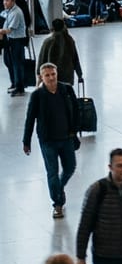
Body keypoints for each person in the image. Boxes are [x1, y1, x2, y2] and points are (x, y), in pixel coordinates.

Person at [23, 63, 80, 219]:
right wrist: (26, 141)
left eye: (53, 74)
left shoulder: (66, 90)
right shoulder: (37, 96)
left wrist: (75, 132)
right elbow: (30, 119)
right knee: (52, 173)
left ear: (57, 74)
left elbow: (75, 110)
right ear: (42, 77)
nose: (51, 77)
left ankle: (58, 189)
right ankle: (58, 204)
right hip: (48, 141)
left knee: (70, 167)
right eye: (47, 75)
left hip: (66, 137)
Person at [37, 18, 83, 87]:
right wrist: (79, 75)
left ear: (52, 28)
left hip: (52, 76)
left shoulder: (48, 42)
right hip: (67, 78)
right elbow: (75, 59)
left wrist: (39, 75)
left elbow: (42, 60)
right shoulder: (69, 40)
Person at [1, 0, 29, 94]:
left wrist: (1, 31)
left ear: (13, 1)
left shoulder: (16, 12)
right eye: (4, 0)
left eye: (7, 0)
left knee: (17, 64)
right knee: (10, 62)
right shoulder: (8, 12)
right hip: (10, 40)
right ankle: (14, 83)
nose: (5, 3)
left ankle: (19, 86)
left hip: (17, 40)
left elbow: (10, 29)